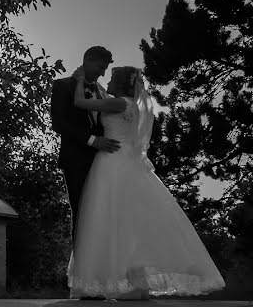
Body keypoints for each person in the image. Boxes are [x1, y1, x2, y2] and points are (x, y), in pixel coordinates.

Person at [67, 66, 225, 299]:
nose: (107, 82)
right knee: (131, 222)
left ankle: (119, 281)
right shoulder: (131, 105)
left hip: (112, 161)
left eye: (111, 78)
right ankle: (136, 282)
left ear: (120, 84)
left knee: (111, 219)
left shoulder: (119, 104)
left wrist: (80, 80)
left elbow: (80, 103)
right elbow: (104, 97)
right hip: (128, 161)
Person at [50, 46, 120, 240]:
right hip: (75, 160)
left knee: (105, 214)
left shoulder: (103, 92)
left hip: (104, 162)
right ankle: (81, 265)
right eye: (100, 67)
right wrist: (92, 140)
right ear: (87, 60)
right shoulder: (62, 85)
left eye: (106, 69)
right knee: (81, 212)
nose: (103, 73)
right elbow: (59, 123)